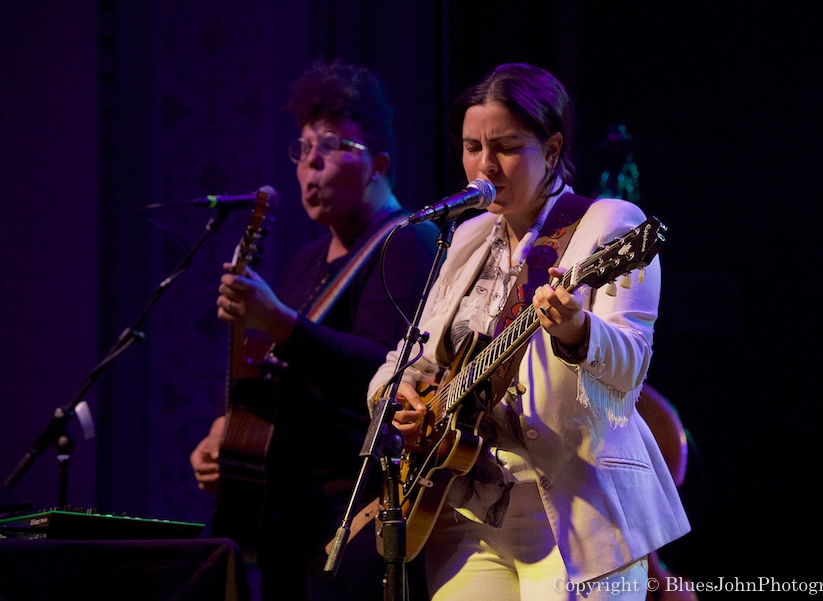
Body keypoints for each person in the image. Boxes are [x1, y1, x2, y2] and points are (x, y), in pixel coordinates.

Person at [366, 63, 690, 600]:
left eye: (506, 147)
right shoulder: (466, 238)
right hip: (465, 510)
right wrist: (396, 391)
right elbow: (411, 356)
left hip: (578, 508)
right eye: (472, 147)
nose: (484, 165)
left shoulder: (608, 225)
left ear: (554, 148)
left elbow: (632, 363)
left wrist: (575, 330)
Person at [190, 58, 439, 600]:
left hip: (350, 516)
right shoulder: (305, 259)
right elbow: (286, 379)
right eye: (302, 149)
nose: (311, 165)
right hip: (288, 518)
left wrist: (280, 323)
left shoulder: (405, 244)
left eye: (329, 146)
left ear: (378, 163)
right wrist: (225, 434)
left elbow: (382, 373)